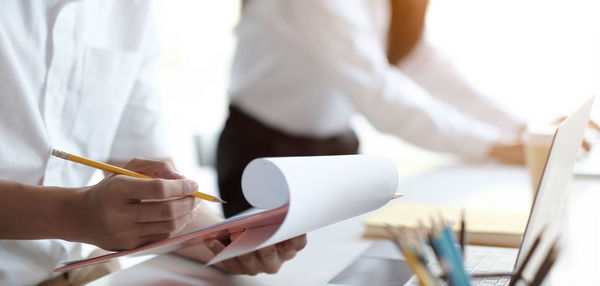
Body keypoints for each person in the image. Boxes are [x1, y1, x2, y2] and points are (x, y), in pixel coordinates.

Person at [0, 1, 306, 285]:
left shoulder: (131, 10)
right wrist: (70, 214)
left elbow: (153, 188)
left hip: (78, 268)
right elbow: (84, 213)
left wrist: (227, 241)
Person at [217, 0, 526, 217]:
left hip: (336, 149)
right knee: (274, 272)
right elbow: (379, 95)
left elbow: (420, 60)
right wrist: (494, 146)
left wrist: (519, 129)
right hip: (267, 154)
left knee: (342, 263)